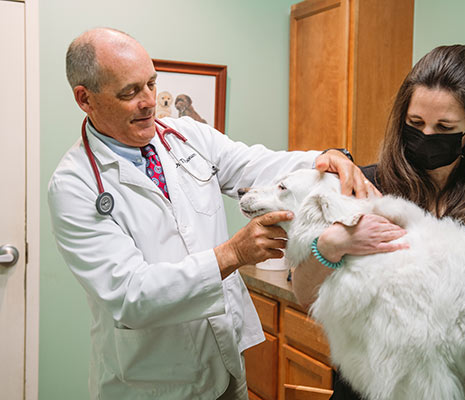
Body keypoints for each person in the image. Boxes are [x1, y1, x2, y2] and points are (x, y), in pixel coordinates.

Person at [47, 27, 380, 400]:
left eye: (152, 84)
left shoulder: (186, 135)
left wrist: (324, 157)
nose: (148, 102)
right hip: (153, 380)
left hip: (225, 361)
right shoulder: (74, 185)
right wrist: (233, 254)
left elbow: (257, 165)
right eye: (129, 92)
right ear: (85, 98)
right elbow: (130, 295)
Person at [292, 44, 465, 399]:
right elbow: (302, 293)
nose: (427, 136)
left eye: (445, 126)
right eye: (415, 123)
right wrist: (330, 246)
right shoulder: (366, 187)